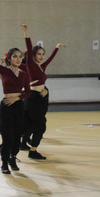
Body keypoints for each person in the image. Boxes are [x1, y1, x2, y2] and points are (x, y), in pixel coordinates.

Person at [21, 24, 66, 160]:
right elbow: (29, 47)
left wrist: (56, 48)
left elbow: (50, 59)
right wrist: (27, 32)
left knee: (34, 124)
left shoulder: (42, 66)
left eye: (42, 54)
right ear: (33, 55)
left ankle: (24, 144)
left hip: (41, 97)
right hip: (33, 97)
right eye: (38, 54)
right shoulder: (30, 64)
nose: (41, 56)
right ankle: (32, 151)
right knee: (40, 125)